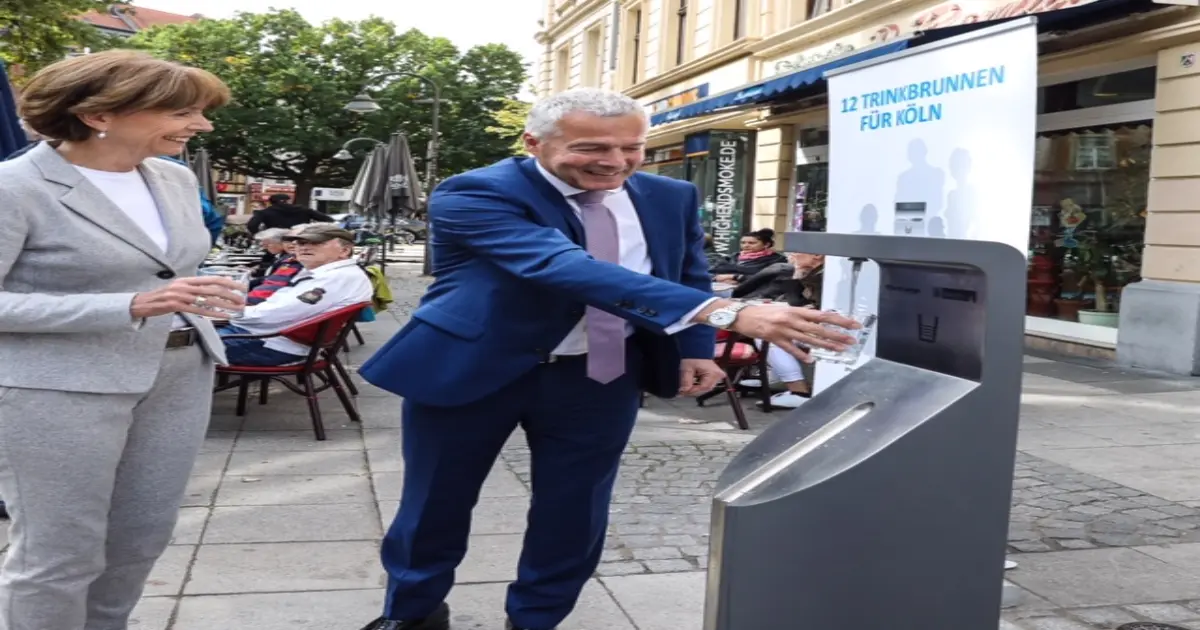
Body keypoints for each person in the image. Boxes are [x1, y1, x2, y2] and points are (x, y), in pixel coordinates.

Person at [356, 88, 856, 630]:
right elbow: (559, 265)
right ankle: (411, 613)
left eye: (632, 148)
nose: (615, 162)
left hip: (600, 373)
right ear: (534, 142)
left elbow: (682, 270)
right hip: (471, 367)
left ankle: (536, 619)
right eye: (591, 147)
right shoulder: (474, 192)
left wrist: (693, 348)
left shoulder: (669, 196)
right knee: (433, 506)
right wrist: (724, 312)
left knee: (574, 512)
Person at [0, 50, 243, 630]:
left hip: (179, 375)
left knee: (140, 541)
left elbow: (159, 270)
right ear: (98, 114)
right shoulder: (16, 188)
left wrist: (201, 294)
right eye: (184, 112)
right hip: (59, 389)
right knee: (59, 555)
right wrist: (126, 305)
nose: (201, 125)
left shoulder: (175, 177)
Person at [219, 223, 372, 366]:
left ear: (344, 250)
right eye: (301, 243)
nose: (304, 247)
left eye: (316, 243)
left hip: (270, 344)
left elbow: (268, 316)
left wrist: (225, 312)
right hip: (276, 339)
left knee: (196, 342)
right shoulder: (331, 273)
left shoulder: (335, 278)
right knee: (200, 330)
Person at [710, 228, 787, 284]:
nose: (746, 246)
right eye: (743, 243)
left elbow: (768, 278)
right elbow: (710, 272)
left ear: (766, 244)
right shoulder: (733, 257)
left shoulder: (776, 260)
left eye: (751, 243)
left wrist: (734, 277)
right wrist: (717, 278)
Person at [246, 193, 334, 233]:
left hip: (277, 241)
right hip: (300, 239)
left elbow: (252, 225)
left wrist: (259, 235)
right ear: (289, 201)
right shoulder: (304, 210)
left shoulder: (264, 212)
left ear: (271, 202)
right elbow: (328, 220)